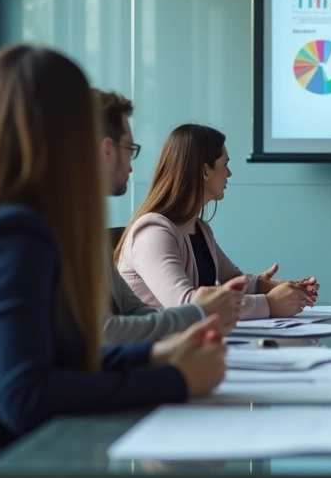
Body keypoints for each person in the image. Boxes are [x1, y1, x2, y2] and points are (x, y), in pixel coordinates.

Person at [0, 45, 227, 478]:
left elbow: (50, 359)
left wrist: (154, 355)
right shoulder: (12, 232)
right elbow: (25, 395)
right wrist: (175, 380)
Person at [115, 124, 318, 317]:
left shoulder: (200, 229)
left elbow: (232, 280)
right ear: (205, 171)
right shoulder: (152, 233)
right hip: (153, 349)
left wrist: (289, 289)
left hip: (187, 345)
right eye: (225, 164)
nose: (229, 173)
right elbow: (187, 305)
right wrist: (269, 304)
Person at [95, 90, 245, 343]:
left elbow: (135, 314)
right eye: (129, 149)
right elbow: (103, 332)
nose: (132, 166)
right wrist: (203, 312)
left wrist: (265, 286)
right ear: (107, 150)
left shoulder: (85, 232)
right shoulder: (152, 231)